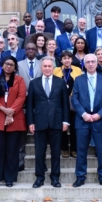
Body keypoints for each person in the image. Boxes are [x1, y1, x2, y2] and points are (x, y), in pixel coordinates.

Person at [26, 56, 70, 188]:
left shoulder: (60, 82)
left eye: (49, 66)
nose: (47, 68)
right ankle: (39, 178)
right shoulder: (34, 83)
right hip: (39, 122)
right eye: (44, 66)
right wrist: (30, 122)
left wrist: (66, 121)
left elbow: (65, 104)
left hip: (56, 121)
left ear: (53, 67)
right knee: (40, 152)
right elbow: (29, 105)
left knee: (56, 152)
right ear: (41, 68)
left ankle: (55, 177)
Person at [71, 54, 102, 187]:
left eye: (92, 62)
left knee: (101, 150)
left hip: (99, 120)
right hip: (82, 120)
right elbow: (74, 99)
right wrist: (83, 114)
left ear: (96, 63)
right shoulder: (78, 80)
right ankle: (80, 176)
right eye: (87, 62)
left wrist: (99, 115)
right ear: (84, 64)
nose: (90, 64)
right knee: (81, 149)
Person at [0, 56, 27, 188]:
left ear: (15, 68)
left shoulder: (20, 80)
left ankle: (10, 178)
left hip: (14, 120)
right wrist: (4, 109)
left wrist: (11, 112)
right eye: (7, 64)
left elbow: (21, 97)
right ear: (2, 65)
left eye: (12, 65)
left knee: (12, 150)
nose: (9, 66)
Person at [17, 43, 43, 171]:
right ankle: (20, 161)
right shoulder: (19, 64)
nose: (31, 51)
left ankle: (41, 163)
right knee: (21, 133)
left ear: (36, 51)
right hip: (23, 101)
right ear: (25, 51)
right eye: (28, 49)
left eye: (33, 49)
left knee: (39, 133)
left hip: (39, 101)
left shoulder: (42, 63)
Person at [53, 50, 83, 158]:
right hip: (60, 101)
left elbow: (80, 84)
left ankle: (74, 149)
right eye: (64, 58)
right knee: (62, 126)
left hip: (73, 101)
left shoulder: (78, 70)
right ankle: (64, 149)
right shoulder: (56, 70)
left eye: (69, 58)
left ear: (72, 59)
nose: (66, 60)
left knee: (74, 127)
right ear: (61, 60)